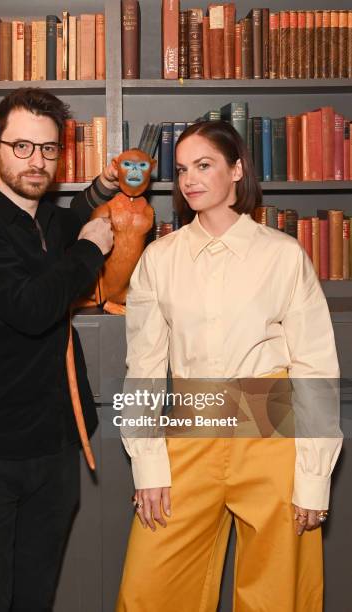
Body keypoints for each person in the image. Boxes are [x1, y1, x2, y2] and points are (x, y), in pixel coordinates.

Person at [116, 120, 342, 611]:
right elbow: (143, 369)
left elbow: (315, 368)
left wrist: (313, 476)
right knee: (149, 591)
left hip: (271, 430)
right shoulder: (159, 258)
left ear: (237, 169)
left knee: (277, 596)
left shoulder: (283, 255)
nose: (190, 180)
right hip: (190, 429)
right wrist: (146, 465)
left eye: (204, 165)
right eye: (181, 170)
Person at [0, 87, 118, 612]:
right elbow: (31, 307)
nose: (37, 161)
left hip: (52, 450)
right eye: (22, 147)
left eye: (49, 149)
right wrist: (88, 251)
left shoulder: (55, 223)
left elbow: (89, 219)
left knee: (35, 601)